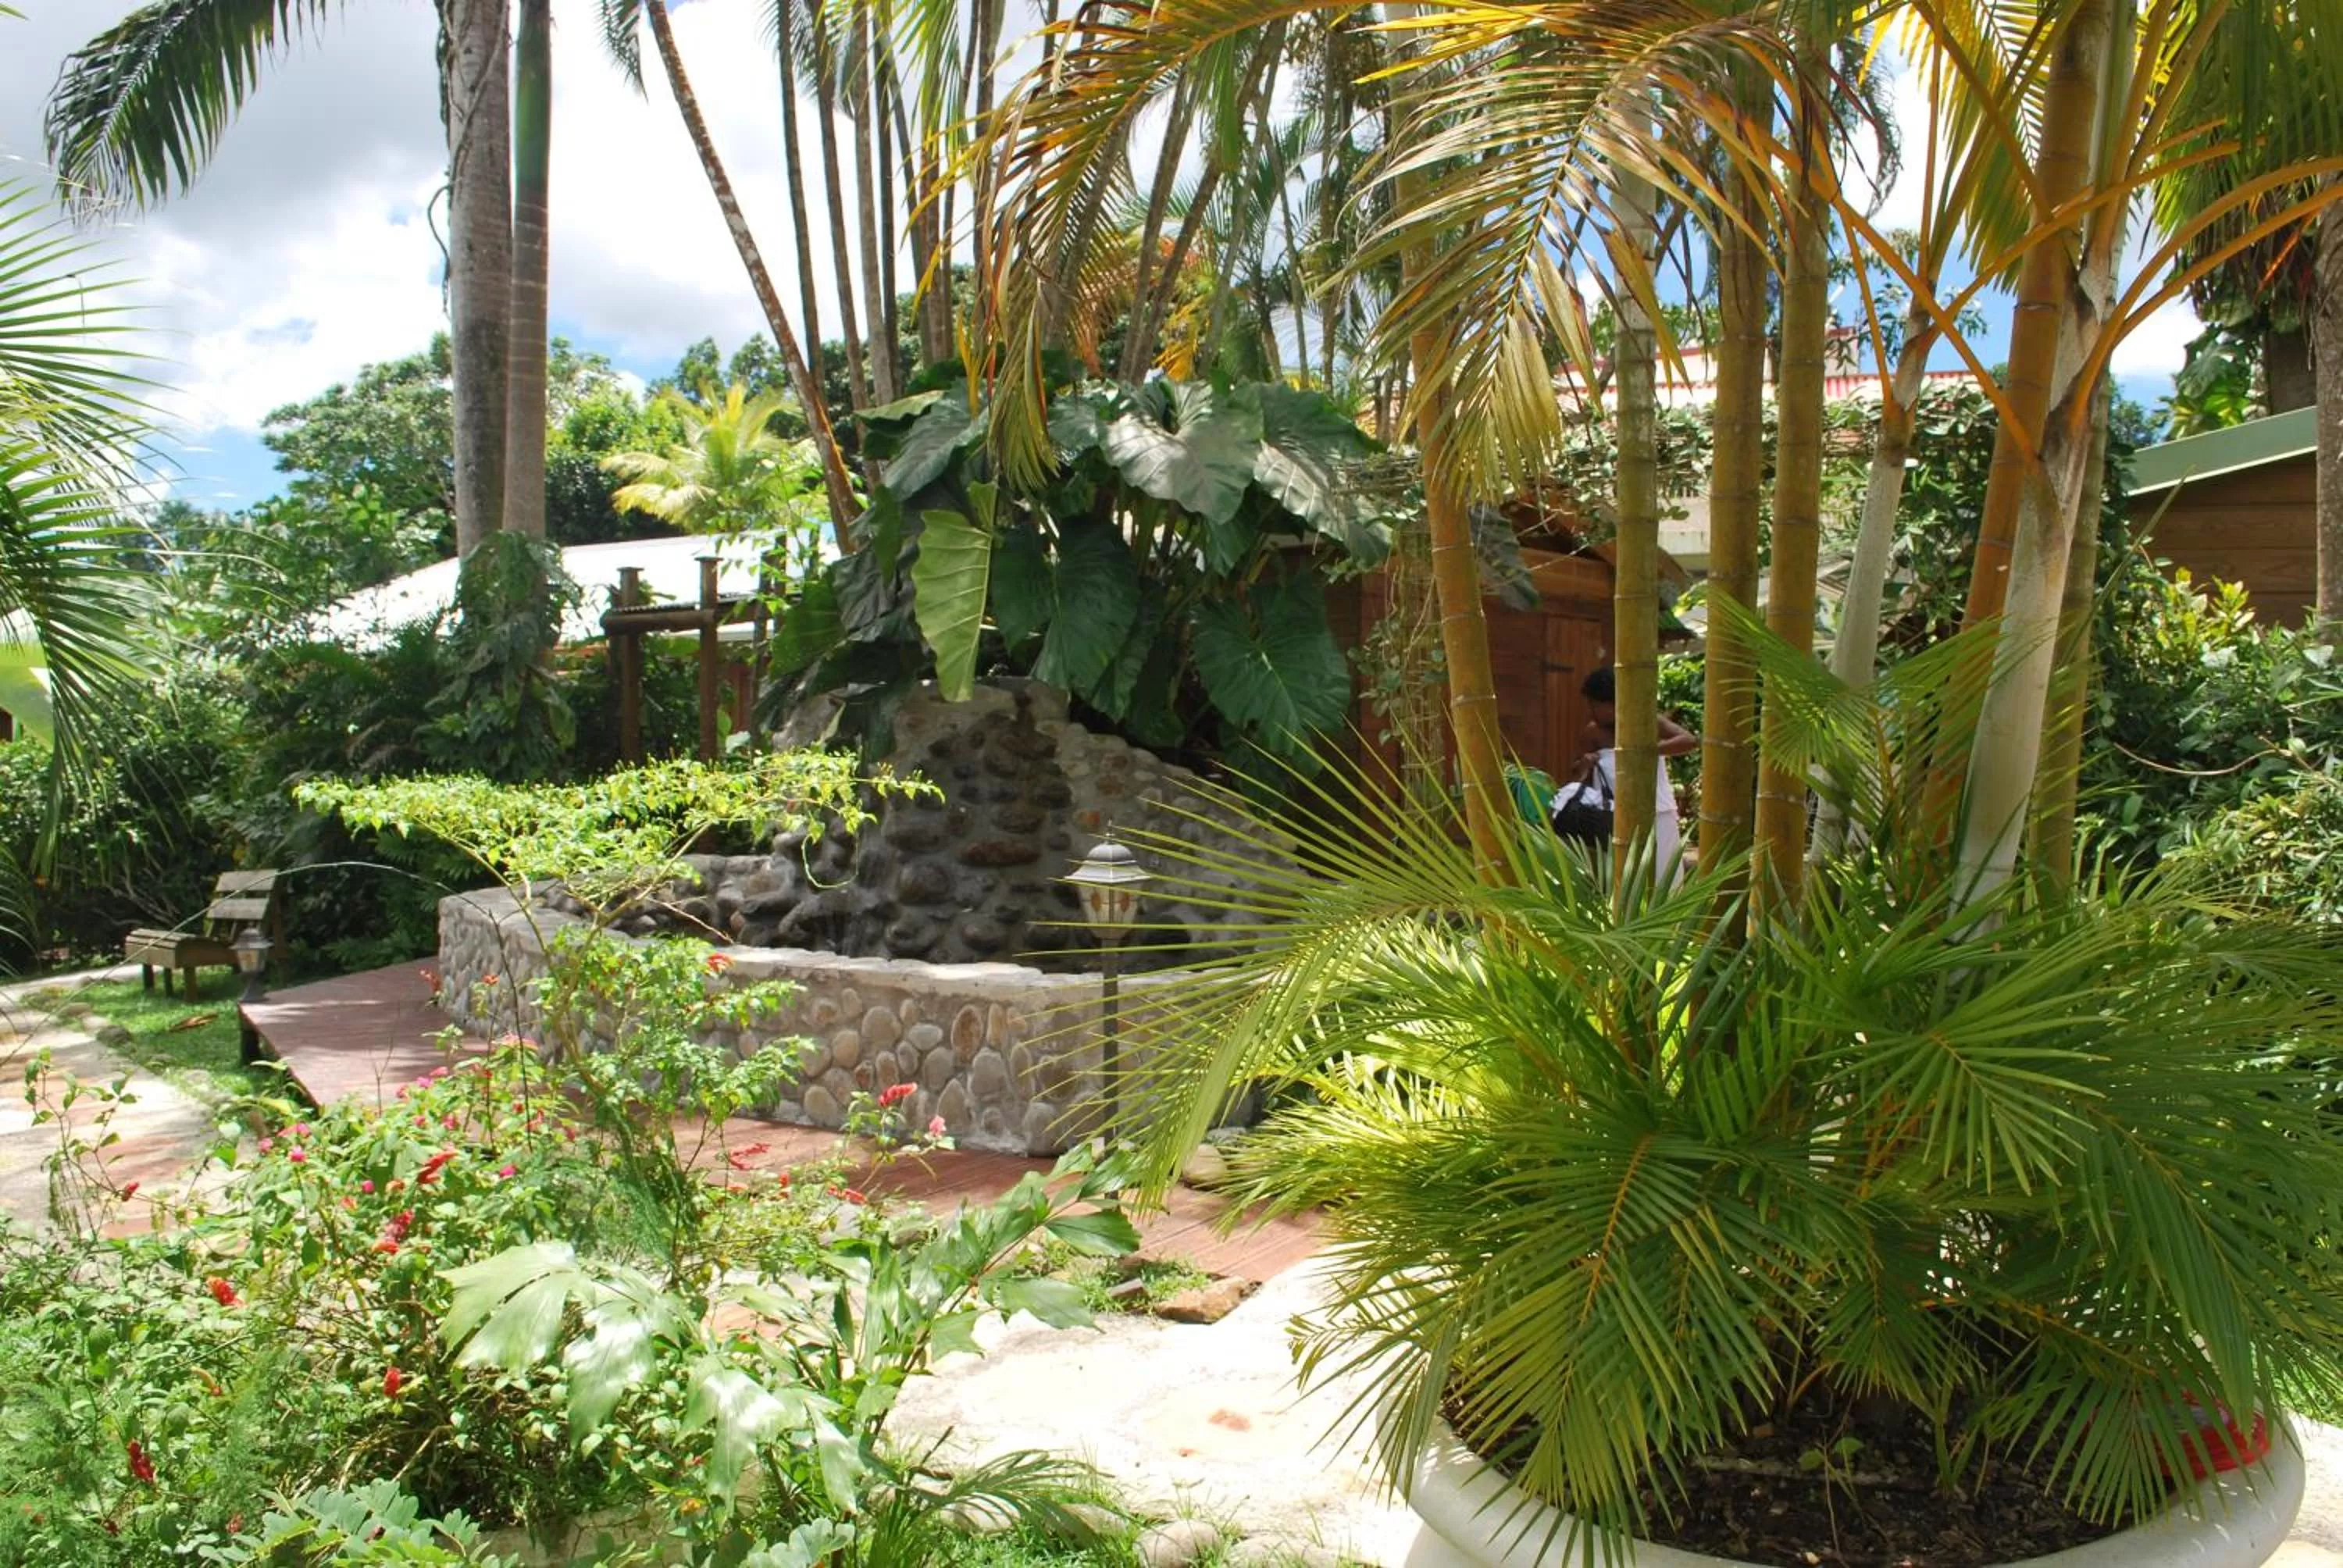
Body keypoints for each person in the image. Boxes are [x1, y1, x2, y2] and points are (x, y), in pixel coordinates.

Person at [1560, 666, 1698, 874]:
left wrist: (1645, 752)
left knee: (1664, 874)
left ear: (1614, 703)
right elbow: (1577, 772)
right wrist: (1585, 764)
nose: (1591, 711)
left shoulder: (1645, 721)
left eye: (1596, 705)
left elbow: (1688, 741)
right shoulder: (1593, 733)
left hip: (1658, 812)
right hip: (1613, 817)